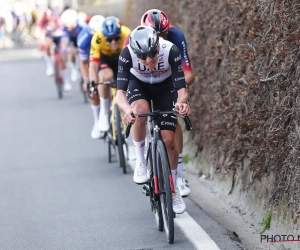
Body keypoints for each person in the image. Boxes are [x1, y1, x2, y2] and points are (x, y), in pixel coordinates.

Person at [116, 26, 190, 214]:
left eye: (152, 53)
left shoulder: (170, 50)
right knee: (139, 112)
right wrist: (126, 110)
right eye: (142, 56)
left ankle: (173, 189)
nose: (149, 60)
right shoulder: (126, 54)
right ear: (134, 52)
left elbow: (182, 88)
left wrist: (181, 103)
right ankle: (141, 162)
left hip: (164, 87)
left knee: (168, 140)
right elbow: (120, 94)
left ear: (158, 45)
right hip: (138, 84)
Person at [136, 9, 195, 197]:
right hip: (144, 82)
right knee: (140, 112)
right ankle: (141, 156)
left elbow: (189, 73)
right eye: (157, 34)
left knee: (172, 121)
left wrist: (181, 91)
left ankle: (179, 174)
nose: (161, 38)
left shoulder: (176, 36)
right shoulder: (135, 40)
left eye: (164, 34)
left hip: (169, 80)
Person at [89, 16, 131, 133]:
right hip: (105, 60)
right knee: (105, 76)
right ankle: (104, 111)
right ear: (103, 37)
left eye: (117, 38)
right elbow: (93, 65)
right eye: (109, 39)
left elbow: (134, 60)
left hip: (122, 59)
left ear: (120, 33)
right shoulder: (97, 38)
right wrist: (93, 85)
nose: (113, 42)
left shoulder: (127, 34)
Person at [77, 15, 105, 139]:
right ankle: (97, 120)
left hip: (107, 58)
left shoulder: (110, 34)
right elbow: (83, 62)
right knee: (92, 88)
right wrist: (86, 79)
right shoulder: (84, 38)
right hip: (92, 59)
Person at [60, 9, 87, 91]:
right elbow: (64, 39)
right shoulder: (65, 27)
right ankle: (74, 68)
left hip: (82, 39)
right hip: (72, 41)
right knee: (71, 53)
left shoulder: (82, 25)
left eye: (69, 24)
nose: (67, 27)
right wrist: (64, 49)